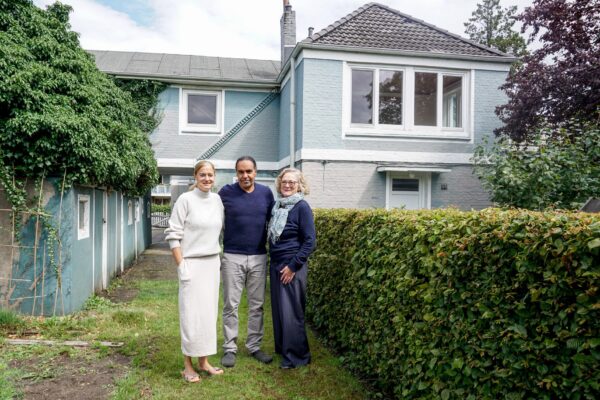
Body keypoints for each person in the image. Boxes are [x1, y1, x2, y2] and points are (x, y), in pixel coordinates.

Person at [165, 160, 225, 383]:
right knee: (191, 315)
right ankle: (187, 366)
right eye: (203, 175)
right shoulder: (185, 200)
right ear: (195, 176)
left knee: (208, 316)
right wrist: (181, 265)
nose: (207, 179)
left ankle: (204, 362)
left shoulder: (217, 200)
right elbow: (173, 234)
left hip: (211, 264)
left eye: (210, 175)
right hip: (191, 263)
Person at [219, 156, 275, 367]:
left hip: (259, 256)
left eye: (249, 171)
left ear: (256, 172)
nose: (245, 176)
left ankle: (254, 346)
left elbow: (275, 221)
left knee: (257, 305)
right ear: (236, 173)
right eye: (241, 172)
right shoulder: (225, 193)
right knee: (230, 305)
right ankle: (230, 348)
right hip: (232, 256)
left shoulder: (266, 194)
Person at [267, 168, 316, 369]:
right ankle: (283, 348)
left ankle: (297, 356)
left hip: (292, 266)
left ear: (299, 185)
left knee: (291, 312)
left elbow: (310, 241)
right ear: (279, 184)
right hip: (276, 263)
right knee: (279, 311)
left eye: (292, 182)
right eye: (284, 182)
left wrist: (293, 266)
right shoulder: (277, 206)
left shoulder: (302, 207)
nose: (287, 185)